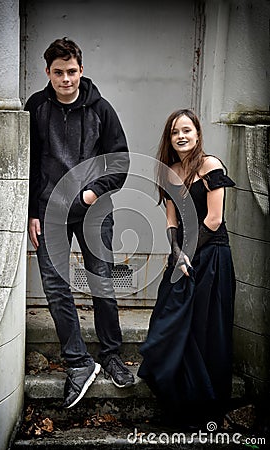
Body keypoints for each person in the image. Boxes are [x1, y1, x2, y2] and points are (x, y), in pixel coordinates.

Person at [25, 37, 134, 409]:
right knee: (56, 288)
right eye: (58, 73)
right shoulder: (37, 107)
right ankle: (78, 362)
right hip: (49, 211)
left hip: (94, 210)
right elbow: (30, 163)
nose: (66, 79)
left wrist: (92, 193)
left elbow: (119, 162)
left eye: (72, 71)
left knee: (101, 280)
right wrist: (31, 212)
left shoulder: (101, 109)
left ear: (81, 70)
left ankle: (112, 355)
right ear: (48, 73)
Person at [138, 109, 235, 428]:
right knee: (169, 323)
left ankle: (204, 409)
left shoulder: (211, 165)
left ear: (197, 135)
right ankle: (176, 404)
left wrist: (187, 253)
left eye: (186, 130)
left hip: (211, 257)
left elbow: (214, 219)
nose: (180, 136)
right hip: (183, 257)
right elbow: (171, 220)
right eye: (174, 132)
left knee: (204, 329)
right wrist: (177, 253)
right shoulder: (169, 172)